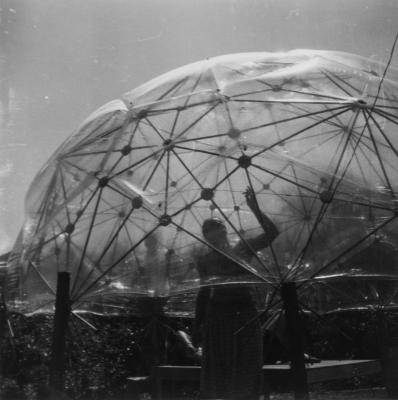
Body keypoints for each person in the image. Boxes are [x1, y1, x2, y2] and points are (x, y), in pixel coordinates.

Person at [193, 187, 278, 400]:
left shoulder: (242, 250)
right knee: (218, 373)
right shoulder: (204, 261)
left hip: (244, 315)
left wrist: (255, 208)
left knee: (246, 368)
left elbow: (272, 233)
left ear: (224, 232)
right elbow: (204, 293)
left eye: (216, 233)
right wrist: (197, 325)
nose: (214, 239)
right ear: (206, 238)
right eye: (208, 236)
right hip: (217, 318)